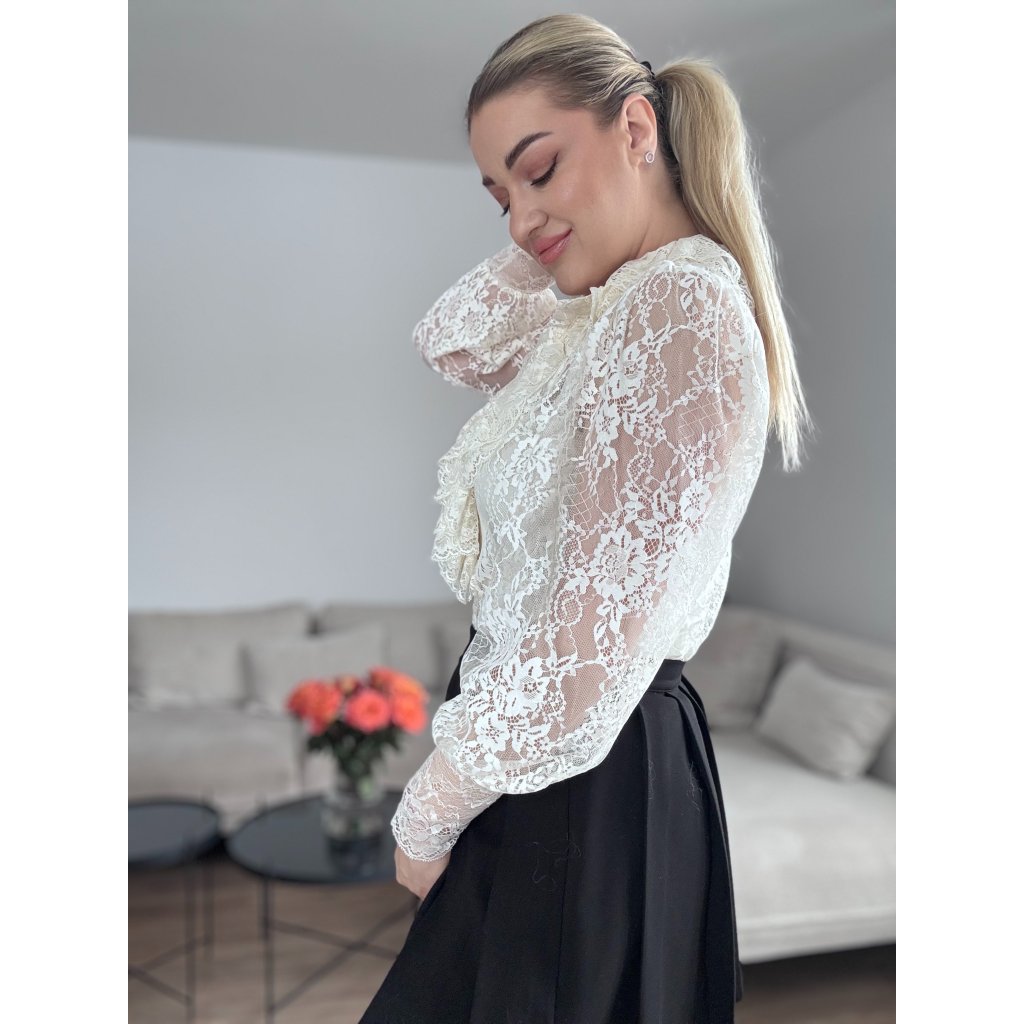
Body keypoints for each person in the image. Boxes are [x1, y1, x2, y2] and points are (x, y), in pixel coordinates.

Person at [358, 13, 812, 1024]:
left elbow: (591, 641)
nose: (518, 218)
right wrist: (559, 220)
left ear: (637, 128)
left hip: (583, 773)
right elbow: (454, 342)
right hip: (545, 757)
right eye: (499, 195)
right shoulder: (611, 306)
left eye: (539, 168)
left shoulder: (674, 309)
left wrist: (425, 813)